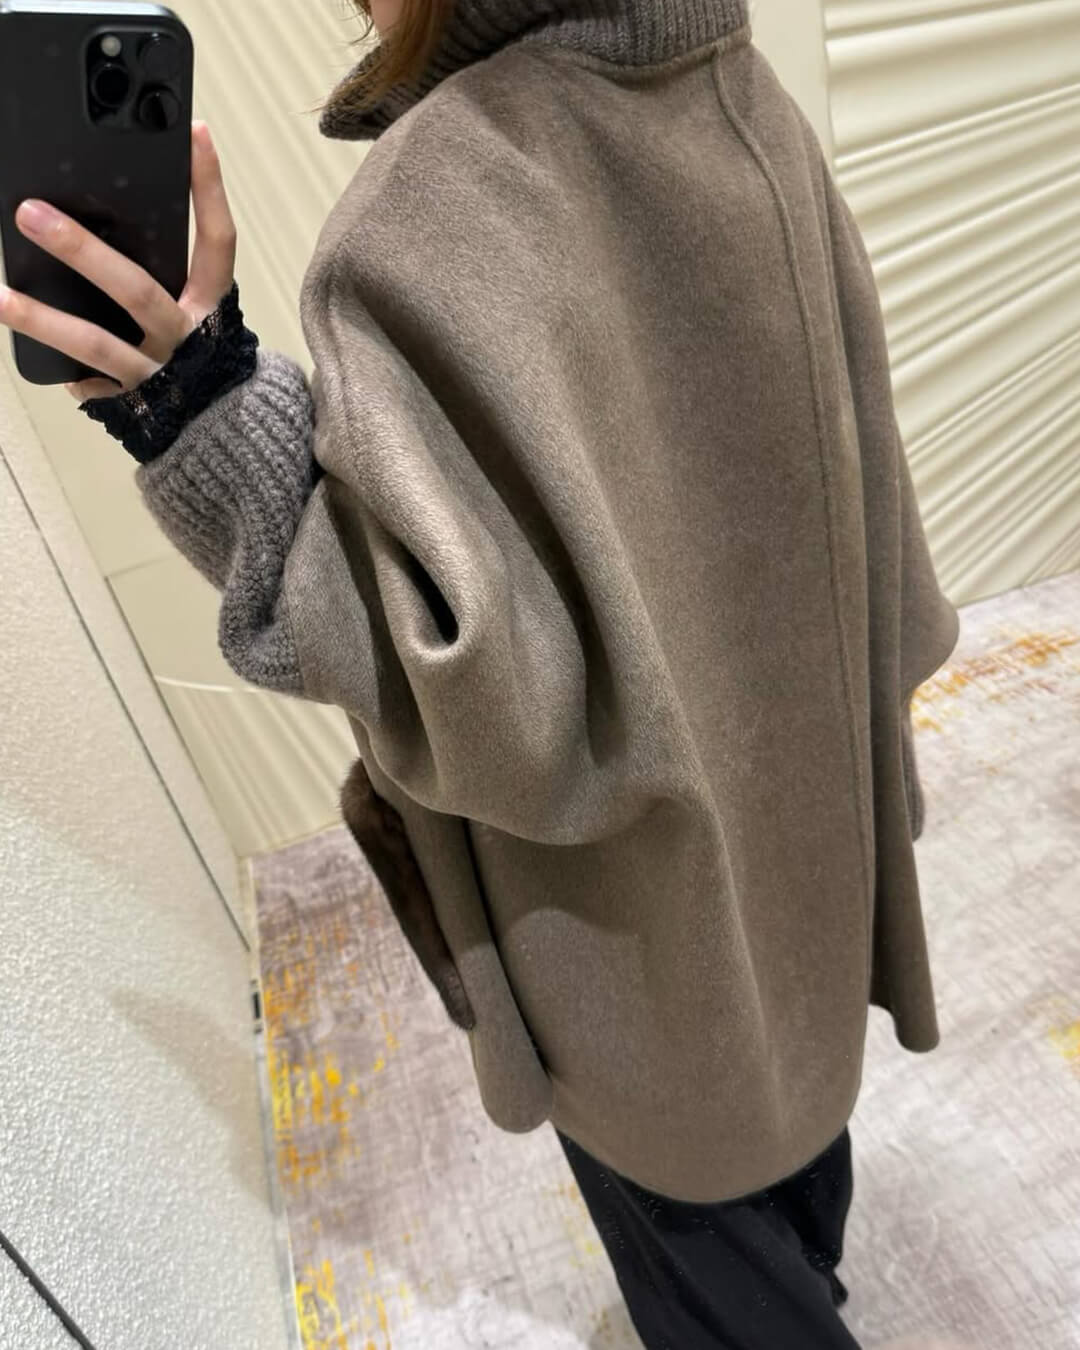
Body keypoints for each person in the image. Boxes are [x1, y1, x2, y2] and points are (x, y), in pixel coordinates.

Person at [0, 2, 968, 1346]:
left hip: (634, 937)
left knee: (706, 1244)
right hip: (804, 839)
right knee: (792, 1116)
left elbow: (480, 706)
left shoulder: (426, 214)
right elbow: (857, 500)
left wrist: (197, 401)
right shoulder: (729, 82)